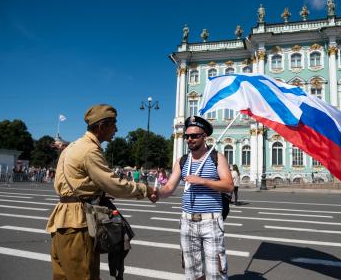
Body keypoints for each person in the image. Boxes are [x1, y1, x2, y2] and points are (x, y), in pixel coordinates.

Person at [46, 104, 157, 280]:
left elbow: (73, 183)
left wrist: (96, 192)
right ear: (101, 126)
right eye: (113, 124)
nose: (116, 129)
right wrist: (145, 190)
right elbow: (114, 184)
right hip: (79, 223)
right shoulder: (90, 150)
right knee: (85, 275)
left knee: (63, 276)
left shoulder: (73, 146)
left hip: (63, 220)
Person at [156, 116, 233, 280]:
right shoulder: (182, 161)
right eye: (187, 136)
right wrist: (154, 193)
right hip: (187, 222)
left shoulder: (217, 158)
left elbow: (228, 185)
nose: (190, 139)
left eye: (194, 136)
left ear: (204, 136)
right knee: (192, 272)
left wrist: (203, 181)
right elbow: (169, 187)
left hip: (211, 221)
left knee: (216, 273)